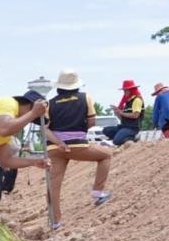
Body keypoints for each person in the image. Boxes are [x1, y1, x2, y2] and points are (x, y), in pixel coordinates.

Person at [44, 69, 113, 230]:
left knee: (53, 185)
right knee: (106, 156)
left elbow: (45, 129)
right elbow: (91, 122)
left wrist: (59, 142)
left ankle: (55, 222)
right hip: (78, 145)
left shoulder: (50, 103)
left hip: (54, 148)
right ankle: (98, 191)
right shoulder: (85, 98)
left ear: (59, 86)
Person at [104, 79, 143, 146]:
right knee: (106, 130)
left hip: (132, 128)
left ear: (130, 90)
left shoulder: (137, 100)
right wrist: (117, 113)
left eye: (125, 90)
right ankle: (119, 137)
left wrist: (121, 113)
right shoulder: (127, 102)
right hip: (124, 126)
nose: (124, 92)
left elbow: (136, 115)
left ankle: (133, 138)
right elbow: (122, 119)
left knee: (116, 141)